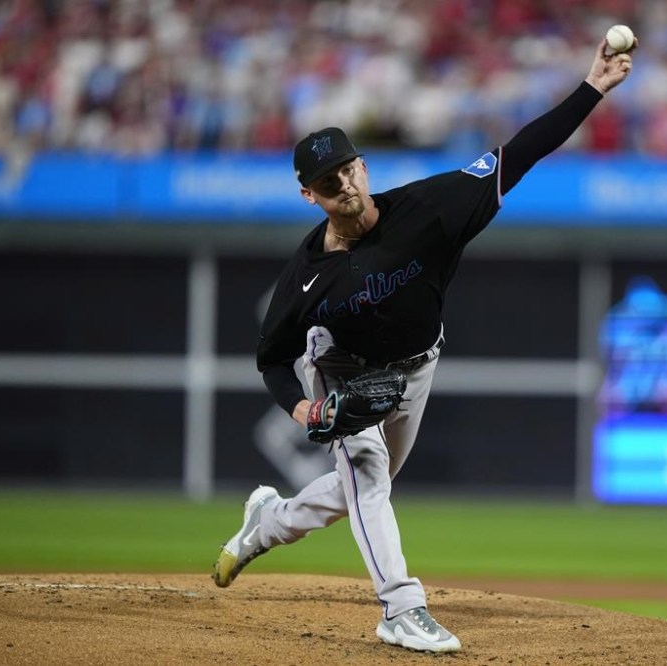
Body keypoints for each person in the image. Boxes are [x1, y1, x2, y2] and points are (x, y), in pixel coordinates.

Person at [212, 35, 637, 653]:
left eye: (348, 170)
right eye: (328, 183)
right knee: (366, 473)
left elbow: (520, 153)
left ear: (364, 166)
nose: (345, 186)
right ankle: (401, 609)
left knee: (351, 493)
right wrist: (304, 408)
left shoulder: (433, 208)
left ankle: (266, 523)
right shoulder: (303, 279)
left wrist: (592, 88)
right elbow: (272, 358)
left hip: (416, 369)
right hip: (340, 367)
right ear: (310, 195)